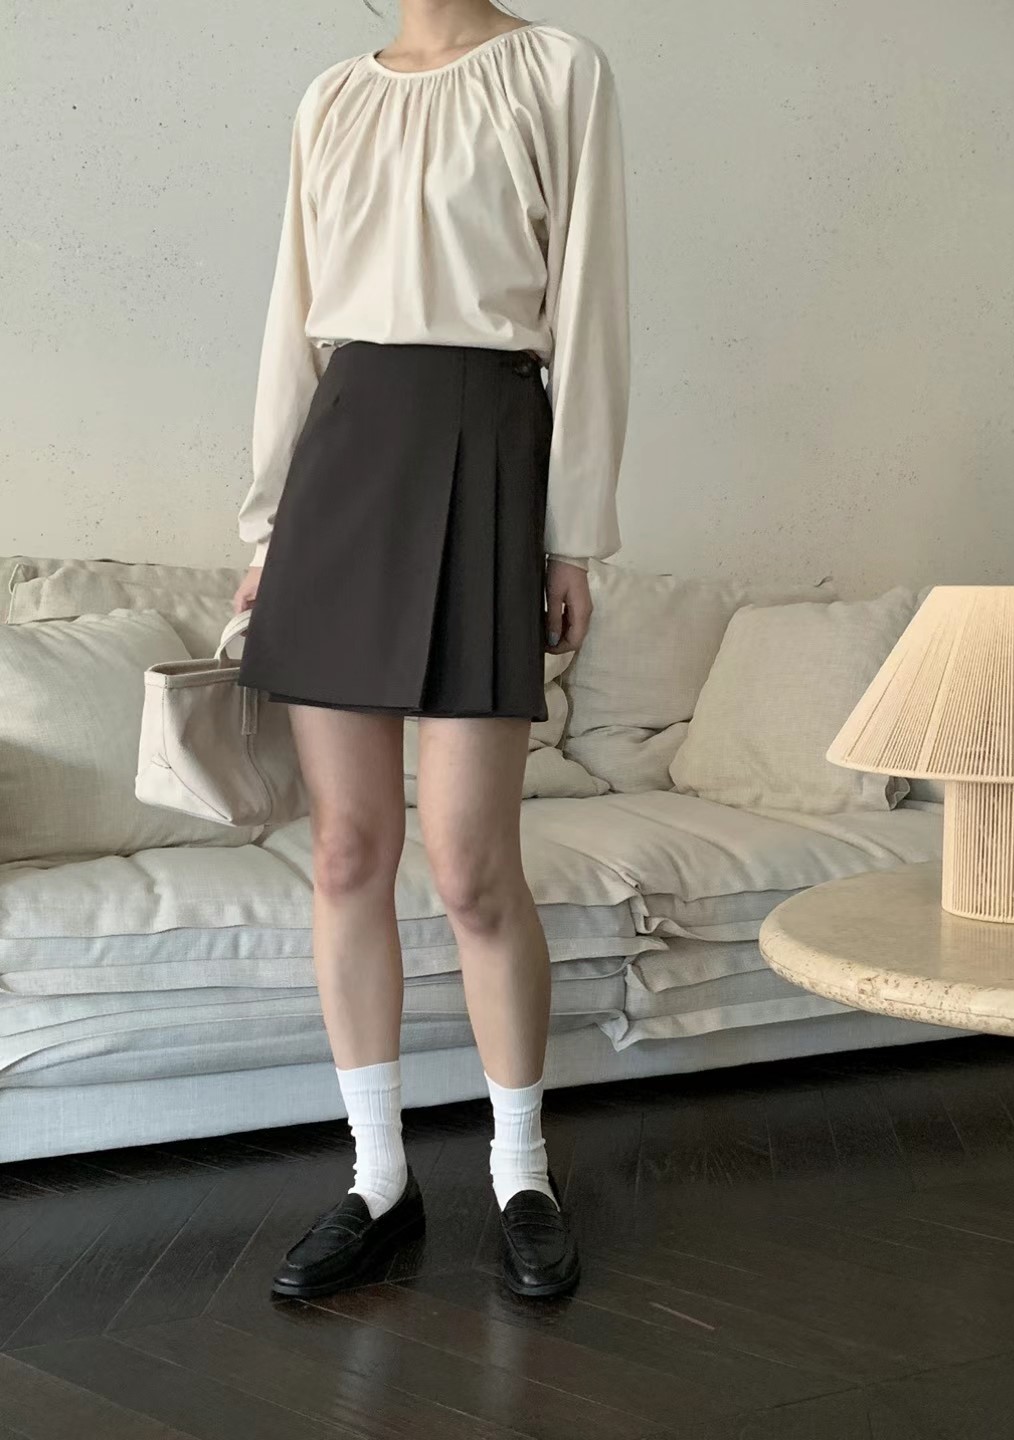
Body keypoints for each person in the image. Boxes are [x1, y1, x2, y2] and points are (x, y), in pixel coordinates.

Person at [230, 0, 630, 1301]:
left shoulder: (559, 71)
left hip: (487, 447)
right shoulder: (331, 96)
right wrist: (266, 526)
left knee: (471, 864)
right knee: (348, 850)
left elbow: (592, 307)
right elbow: (293, 314)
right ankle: (378, 1180)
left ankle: (522, 1170)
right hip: (343, 459)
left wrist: (572, 534)